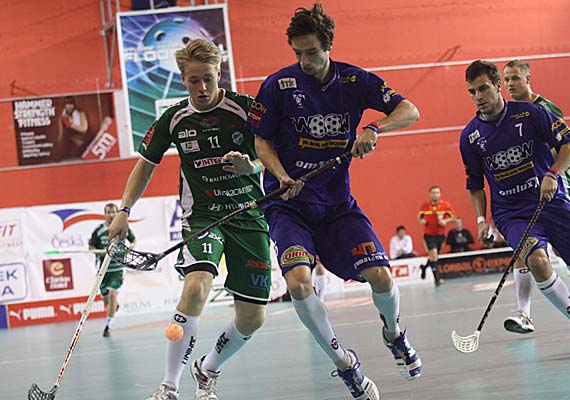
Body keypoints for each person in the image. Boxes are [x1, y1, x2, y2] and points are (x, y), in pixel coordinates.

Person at [247, 4, 422, 398]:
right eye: (298, 53)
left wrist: (375, 127)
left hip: (337, 206)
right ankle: (345, 364)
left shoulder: (355, 80)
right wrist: (281, 176)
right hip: (288, 205)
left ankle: (394, 333)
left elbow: (409, 110)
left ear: (328, 46)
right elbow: (261, 140)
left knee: (382, 277)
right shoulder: (278, 86)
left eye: (311, 52)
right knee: (299, 283)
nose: (304, 61)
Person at [109, 39, 272, 400]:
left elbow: (275, 153)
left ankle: (208, 368)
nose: (201, 88)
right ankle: (169, 386)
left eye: (208, 79)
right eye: (193, 80)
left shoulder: (246, 109)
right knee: (196, 287)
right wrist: (123, 210)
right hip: (203, 217)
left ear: (219, 74)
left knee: (253, 318)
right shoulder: (174, 119)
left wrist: (253, 166)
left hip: (248, 216)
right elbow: (144, 166)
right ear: (183, 79)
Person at [460, 60, 570, 352]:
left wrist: (553, 173)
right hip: (512, 213)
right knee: (536, 260)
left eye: (483, 88)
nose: (478, 97)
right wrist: (481, 221)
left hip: (553, 202)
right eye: (472, 92)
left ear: (498, 86)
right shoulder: (470, 137)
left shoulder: (532, 113)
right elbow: (475, 185)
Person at [501, 59, 570, 333]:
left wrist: (550, 172)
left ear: (528, 79)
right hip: (523, 195)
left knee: (564, 249)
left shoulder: (545, 108)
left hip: (553, 188)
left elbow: (565, 147)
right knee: (524, 250)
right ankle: (524, 314)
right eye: (506, 79)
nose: (510, 84)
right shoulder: (506, 114)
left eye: (515, 78)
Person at [89, 203, 136, 337]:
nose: (111, 215)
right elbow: (91, 247)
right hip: (103, 270)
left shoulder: (123, 227)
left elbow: (133, 240)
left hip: (118, 268)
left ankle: (108, 326)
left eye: (113, 212)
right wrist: (100, 252)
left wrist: (130, 249)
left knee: (112, 294)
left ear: (117, 213)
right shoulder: (98, 231)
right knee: (107, 302)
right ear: (104, 214)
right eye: (108, 212)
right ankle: (114, 306)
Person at [417, 185, 456, 285]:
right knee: (433, 254)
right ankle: (437, 279)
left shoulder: (445, 205)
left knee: (434, 257)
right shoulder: (425, 206)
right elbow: (419, 218)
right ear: (430, 194)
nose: (435, 195)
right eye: (433, 193)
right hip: (429, 234)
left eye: (437, 192)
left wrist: (445, 221)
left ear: (440, 194)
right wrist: (422, 221)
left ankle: (424, 267)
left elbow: (454, 217)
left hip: (440, 235)